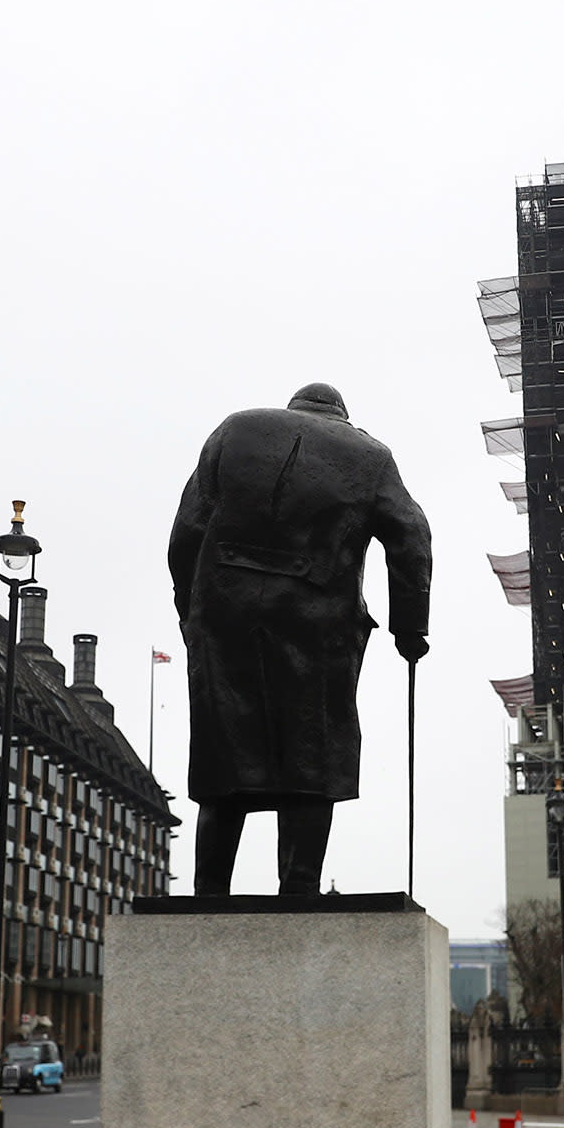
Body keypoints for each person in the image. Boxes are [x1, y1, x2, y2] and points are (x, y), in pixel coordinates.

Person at [170, 383, 433, 895]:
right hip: (318, 619)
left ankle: (209, 891)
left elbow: (187, 529)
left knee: (223, 749)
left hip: (223, 611)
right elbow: (412, 535)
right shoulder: (370, 455)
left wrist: (191, 611)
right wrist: (410, 625)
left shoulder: (235, 428)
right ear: (340, 415)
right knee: (314, 750)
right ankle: (299, 887)